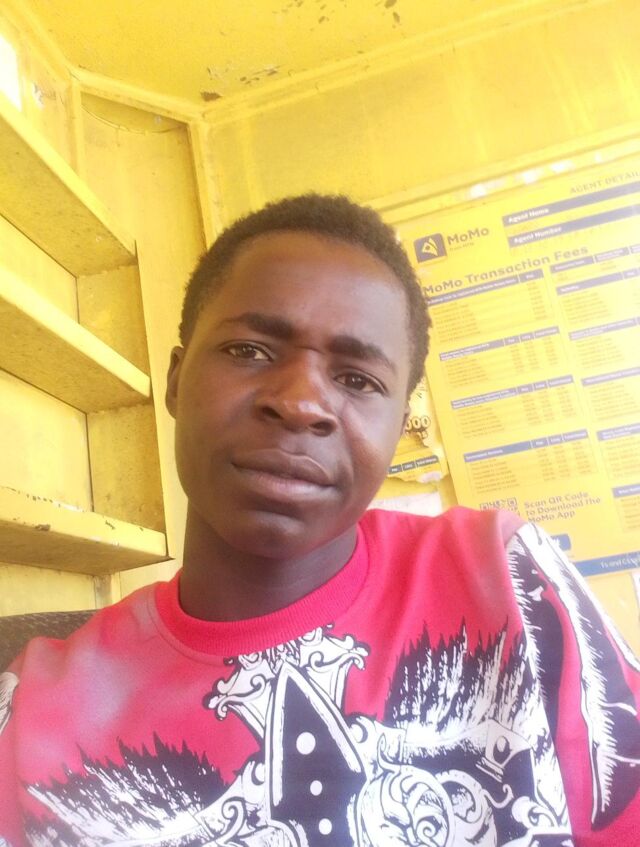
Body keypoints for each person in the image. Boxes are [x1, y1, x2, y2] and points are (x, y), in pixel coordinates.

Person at [0, 193, 638, 846]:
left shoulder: (503, 575)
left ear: (398, 426)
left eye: (358, 380)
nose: (301, 402)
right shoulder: (34, 714)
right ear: (175, 380)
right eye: (249, 350)